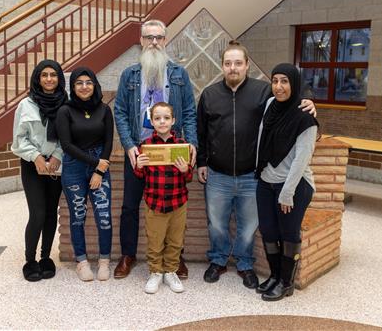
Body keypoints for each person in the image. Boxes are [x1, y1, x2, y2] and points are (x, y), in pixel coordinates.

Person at [196, 41, 315, 290]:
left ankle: (244, 264)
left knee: (249, 225)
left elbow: (290, 104)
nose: (233, 68)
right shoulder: (209, 94)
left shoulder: (265, 92)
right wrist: (201, 162)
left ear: (247, 65)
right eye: (228, 63)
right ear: (222, 67)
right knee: (216, 223)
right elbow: (201, 132)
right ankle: (218, 261)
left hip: (253, 176)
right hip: (218, 174)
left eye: (238, 63)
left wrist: (311, 104)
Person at [114, 19, 197, 279]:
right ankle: (128, 254)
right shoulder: (130, 74)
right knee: (130, 206)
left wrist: (192, 144)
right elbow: (120, 112)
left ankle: (175, 258)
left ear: (165, 40)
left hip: (172, 150)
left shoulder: (178, 74)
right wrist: (129, 146)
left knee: (173, 205)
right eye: (148, 37)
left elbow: (190, 113)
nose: (153, 42)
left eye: (158, 37)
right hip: (141, 152)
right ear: (141, 41)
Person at [255, 63, 319, 301]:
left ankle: (286, 283)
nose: (279, 87)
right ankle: (274, 276)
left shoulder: (305, 117)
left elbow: (302, 159)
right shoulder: (271, 105)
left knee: (288, 233)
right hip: (265, 181)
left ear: (295, 84)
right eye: (275, 81)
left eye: (285, 81)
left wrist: (287, 193)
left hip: (293, 186)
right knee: (269, 231)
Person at [11, 59, 68, 282]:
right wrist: (36, 157)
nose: (49, 79)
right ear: (37, 78)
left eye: (53, 75)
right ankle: (30, 260)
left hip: (55, 165)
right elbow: (18, 140)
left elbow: (69, 136)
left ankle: (45, 257)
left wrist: (57, 156)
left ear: (59, 78)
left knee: (51, 212)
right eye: (44, 75)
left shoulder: (66, 104)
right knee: (37, 213)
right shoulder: (26, 105)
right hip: (32, 165)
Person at [56, 67, 114, 282]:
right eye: (79, 83)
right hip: (74, 167)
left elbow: (108, 141)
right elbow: (66, 145)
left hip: (100, 164)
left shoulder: (104, 110)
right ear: (73, 87)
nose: (84, 86)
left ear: (95, 85)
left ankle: (104, 261)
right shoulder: (65, 111)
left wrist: (99, 169)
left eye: (88, 82)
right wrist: (95, 163)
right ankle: (81, 262)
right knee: (78, 216)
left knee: (104, 216)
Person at [134, 102, 192, 294]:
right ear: (151, 121)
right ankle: (155, 272)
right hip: (154, 202)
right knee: (155, 240)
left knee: (176, 240)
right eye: (157, 118)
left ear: (173, 120)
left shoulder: (182, 145)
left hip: (178, 201)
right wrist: (139, 166)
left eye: (166, 118)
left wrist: (186, 169)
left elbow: (189, 176)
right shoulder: (146, 146)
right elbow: (140, 176)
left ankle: (170, 271)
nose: (162, 121)